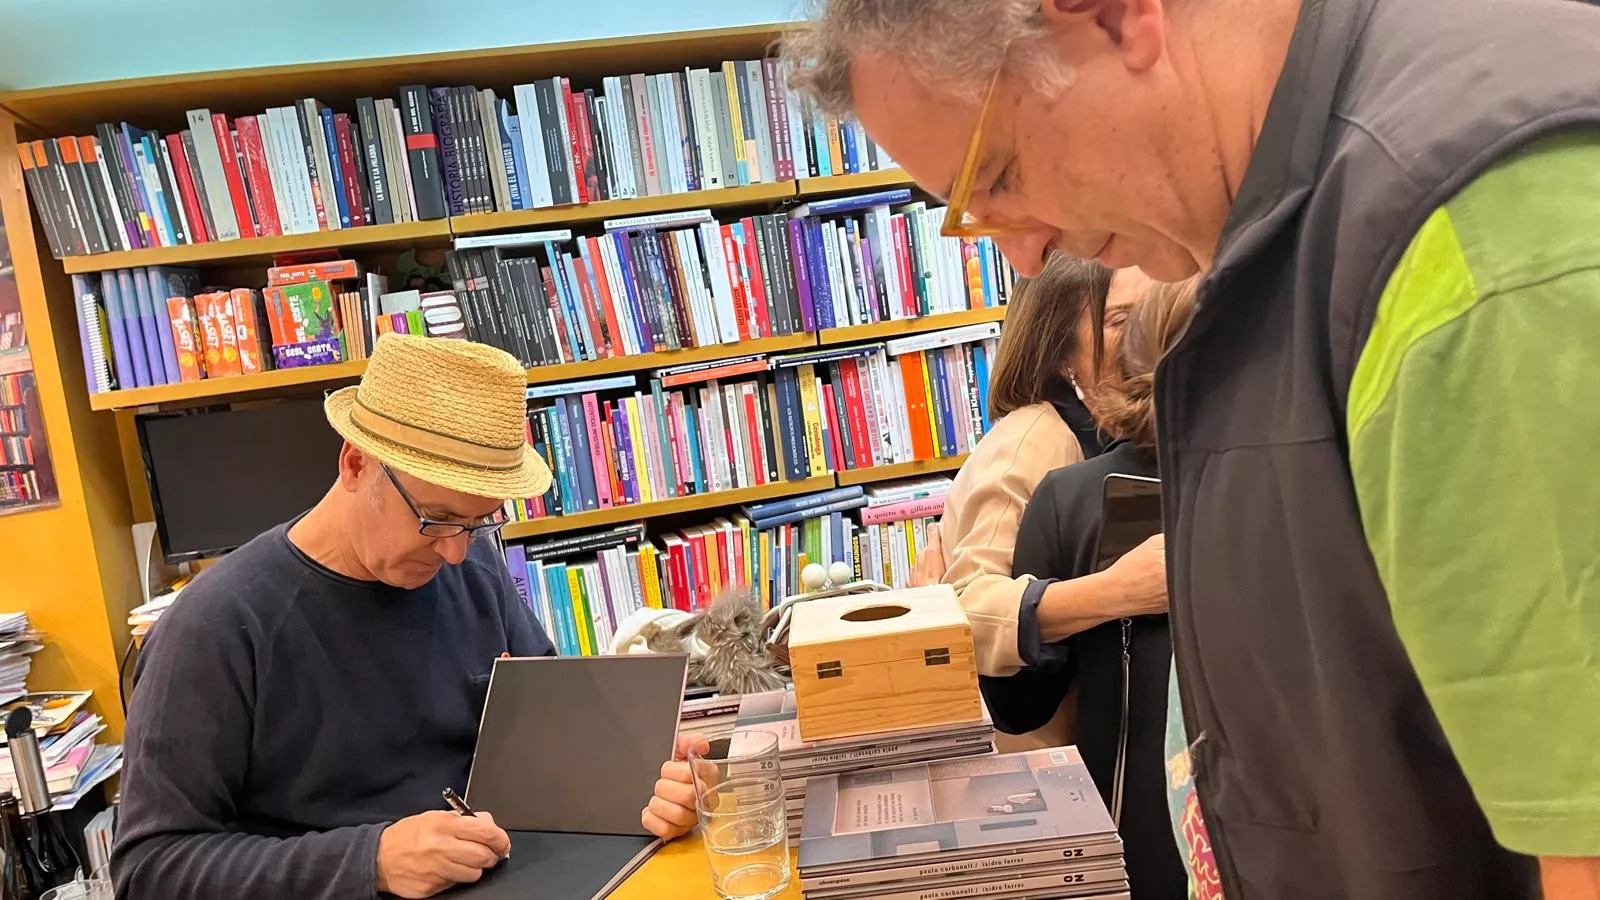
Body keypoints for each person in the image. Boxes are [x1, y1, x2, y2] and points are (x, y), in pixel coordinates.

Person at [783, 1, 1600, 898]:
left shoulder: (1475, 220)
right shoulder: (1274, 237)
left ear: (1115, 13)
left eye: (1003, 174)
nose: (1024, 255)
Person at [113, 334, 703, 900]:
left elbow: (555, 735)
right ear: (354, 463)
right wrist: (368, 862)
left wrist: (642, 780)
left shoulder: (470, 565)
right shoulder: (213, 630)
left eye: (480, 523)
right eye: (436, 518)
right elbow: (149, 869)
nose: (455, 552)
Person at [989, 278, 1197, 900]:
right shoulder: (1069, 497)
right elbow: (1020, 702)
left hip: (1139, 836)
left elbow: (1017, 704)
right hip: (1160, 832)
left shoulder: (1068, 497)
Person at [921, 254, 1118, 677]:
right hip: (1033, 733)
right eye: (1119, 321)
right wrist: (1119, 591)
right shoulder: (1034, 439)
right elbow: (968, 607)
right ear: (1062, 357)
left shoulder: (1102, 433)